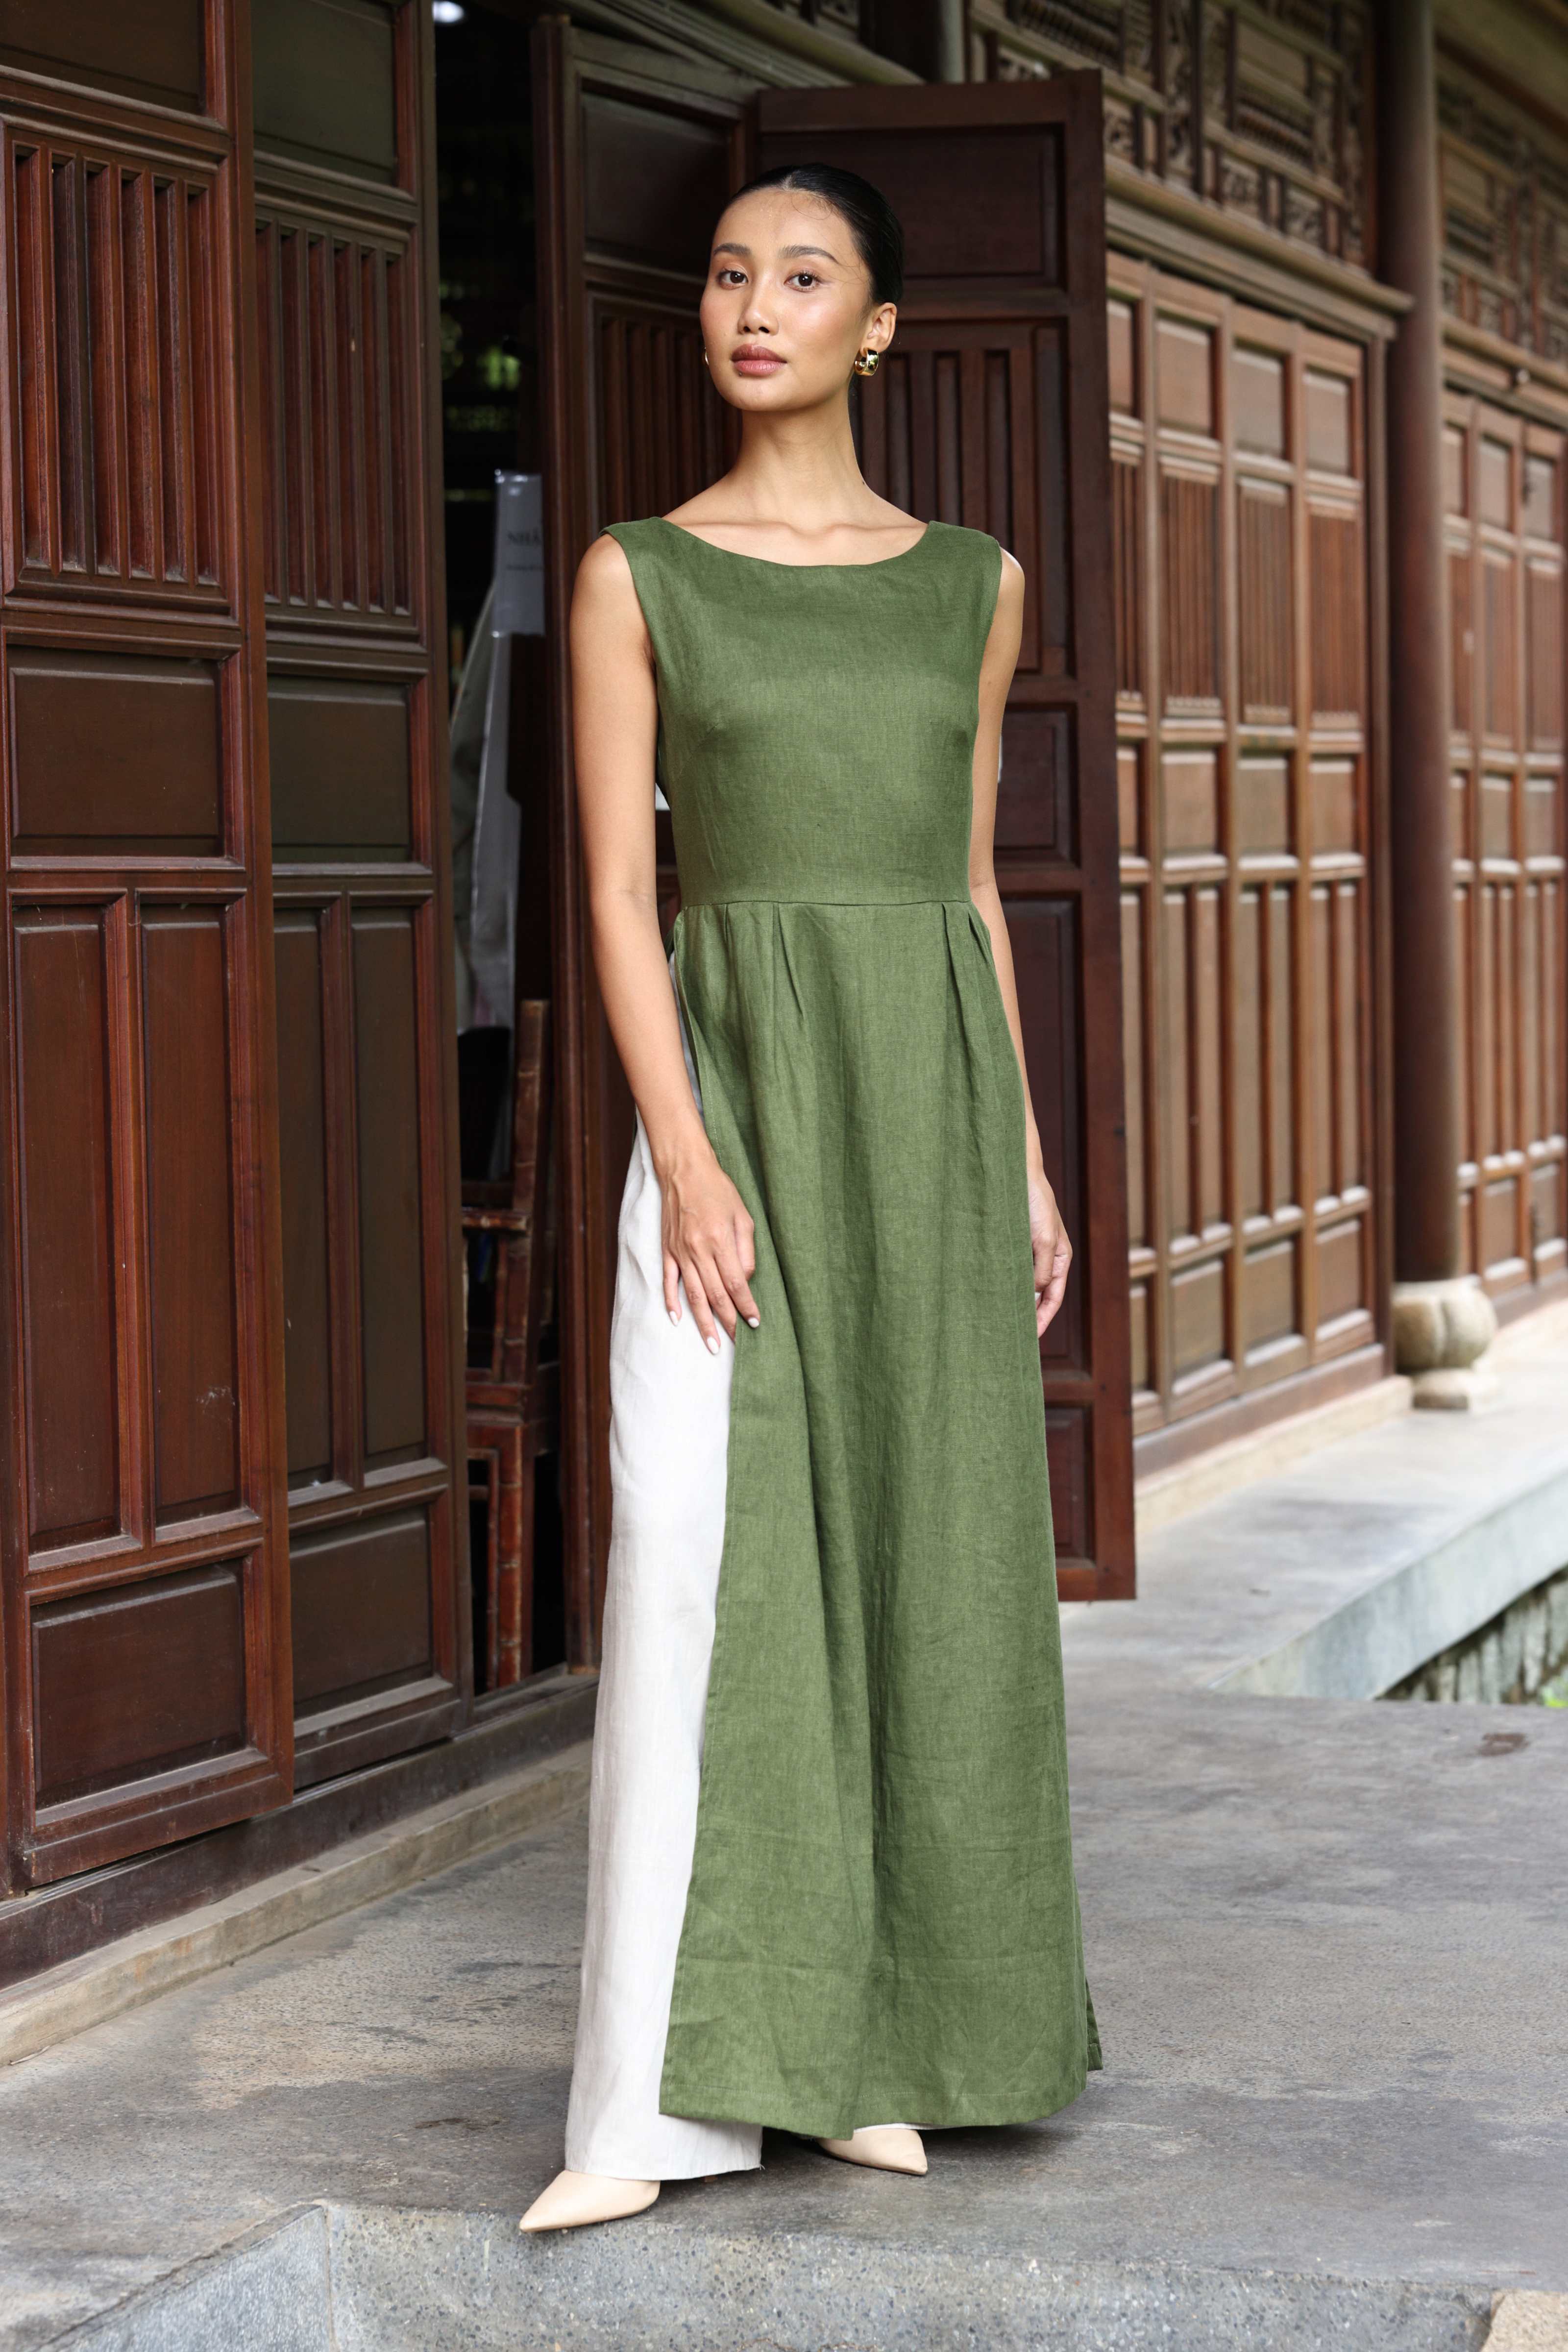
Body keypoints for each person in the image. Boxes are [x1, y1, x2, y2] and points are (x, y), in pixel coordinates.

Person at [520, 162, 1101, 2236]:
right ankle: (642, 2110)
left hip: (925, 1110)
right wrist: (683, 1151)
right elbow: (613, 888)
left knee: (915, 1556)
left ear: (875, 331)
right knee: (691, 1537)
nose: (750, 307)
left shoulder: (971, 580)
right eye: (724, 276)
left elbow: (960, 886)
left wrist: (1021, 1145)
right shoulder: (633, 574)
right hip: (736, 1091)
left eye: (801, 278)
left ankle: (876, 2052)